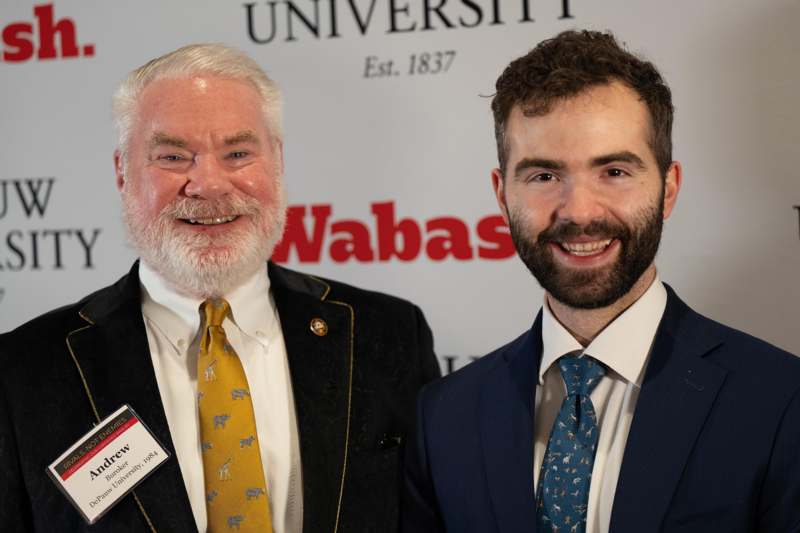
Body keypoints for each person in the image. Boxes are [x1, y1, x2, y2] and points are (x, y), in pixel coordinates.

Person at [0, 44, 440, 533]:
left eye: (237, 153)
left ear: (277, 161)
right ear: (123, 172)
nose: (208, 184)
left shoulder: (390, 334)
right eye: (172, 156)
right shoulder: (23, 371)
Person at [402, 30, 800, 533]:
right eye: (544, 176)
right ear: (503, 195)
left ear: (669, 188)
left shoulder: (782, 402)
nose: (580, 212)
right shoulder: (444, 417)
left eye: (613, 171)